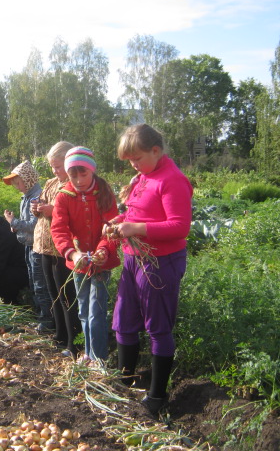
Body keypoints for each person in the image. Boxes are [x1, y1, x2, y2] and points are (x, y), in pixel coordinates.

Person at [104, 124, 192, 417]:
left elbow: (180, 226)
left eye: (137, 158)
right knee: (124, 318)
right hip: (134, 257)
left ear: (156, 151)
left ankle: (156, 396)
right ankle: (124, 382)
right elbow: (134, 212)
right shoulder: (143, 176)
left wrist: (136, 228)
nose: (133, 165)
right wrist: (119, 222)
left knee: (157, 325)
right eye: (129, 160)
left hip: (160, 262)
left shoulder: (172, 180)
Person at [51, 147, 120, 365]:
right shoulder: (64, 196)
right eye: (74, 175)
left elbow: (112, 225)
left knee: (96, 311)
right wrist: (72, 253)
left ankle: (99, 359)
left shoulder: (104, 192)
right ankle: (89, 354)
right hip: (78, 263)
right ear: (67, 173)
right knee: (83, 310)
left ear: (92, 171)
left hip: (101, 262)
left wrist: (103, 249)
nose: (79, 180)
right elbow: (59, 229)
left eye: (84, 174)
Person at [31, 141, 82, 357]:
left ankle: (73, 343)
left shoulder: (75, 185)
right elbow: (41, 207)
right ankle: (60, 336)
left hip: (63, 249)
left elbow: (76, 215)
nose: (55, 171)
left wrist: (52, 210)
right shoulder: (51, 183)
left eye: (58, 166)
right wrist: (36, 208)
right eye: (52, 166)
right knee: (53, 294)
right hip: (44, 246)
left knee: (67, 296)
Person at [2, 160, 53, 332]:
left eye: (18, 182)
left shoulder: (36, 196)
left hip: (38, 247)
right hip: (28, 245)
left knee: (40, 284)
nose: (17, 186)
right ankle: (40, 316)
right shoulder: (26, 196)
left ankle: (47, 321)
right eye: (15, 184)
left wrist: (13, 221)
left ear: (29, 179)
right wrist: (15, 225)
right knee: (33, 281)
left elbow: (33, 225)